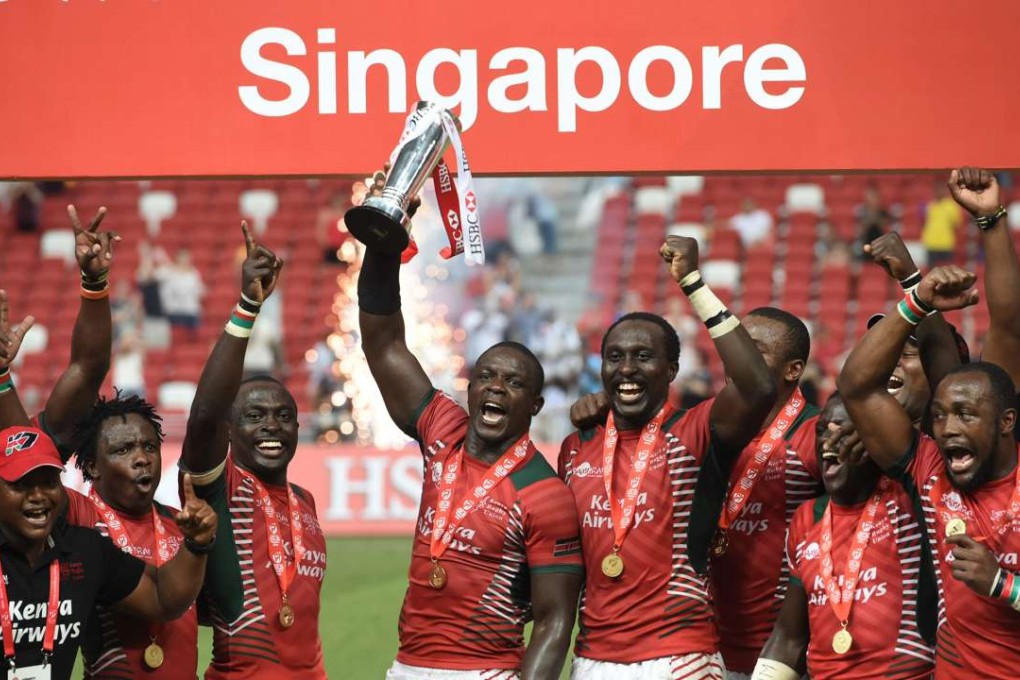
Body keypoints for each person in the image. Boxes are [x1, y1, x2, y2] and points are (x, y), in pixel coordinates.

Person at [358, 173, 583, 680]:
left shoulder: (545, 493)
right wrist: (383, 239)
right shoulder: (442, 429)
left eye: (513, 383)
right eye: (487, 377)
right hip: (406, 667)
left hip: (486, 672)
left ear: (535, 405)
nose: (496, 388)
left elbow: (554, 620)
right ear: (471, 386)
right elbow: (384, 342)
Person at [560, 235, 776, 679]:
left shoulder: (695, 431)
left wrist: (693, 283)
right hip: (591, 660)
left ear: (672, 371)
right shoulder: (578, 446)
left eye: (644, 357)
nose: (627, 369)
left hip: (677, 657)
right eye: (614, 357)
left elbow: (757, 386)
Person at [837, 265, 1020, 677]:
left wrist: (1002, 585)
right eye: (939, 416)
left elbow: (1007, 326)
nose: (949, 427)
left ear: (1006, 422)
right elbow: (858, 386)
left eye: (965, 414)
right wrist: (915, 300)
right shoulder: (930, 465)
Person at [180, 224, 329, 679]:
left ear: (298, 428)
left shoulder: (305, 502)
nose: (271, 426)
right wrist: (248, 307)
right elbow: (204, 414)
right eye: (255, 415)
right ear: (230, 429)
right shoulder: (221, 487)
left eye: (284, 417)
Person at [0, 424, 216, 680]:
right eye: (21, 485)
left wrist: (196, 544)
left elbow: (162, 599)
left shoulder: (84, 550)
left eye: (48, 482)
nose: (38, 496)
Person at [753, 394, 934, 680]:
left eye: (843, 430)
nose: (828, 441)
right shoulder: (807, 518)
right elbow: (789, 639)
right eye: (822, 430)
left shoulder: (909, 500)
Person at [707, 307, 822, 678]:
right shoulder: (707, 426)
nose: (738, 359)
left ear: (793, 370)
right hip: (702, 647)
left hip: (781, 654)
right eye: (735, 347)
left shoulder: (818, 434)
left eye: (754, 349)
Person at [920, 180, 963, 266]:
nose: (938, 192)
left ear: (945, 191)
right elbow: (925, 222)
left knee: (945, 271)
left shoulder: (951, 206)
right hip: (931, 244)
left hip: (945, 244)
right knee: (932, 272)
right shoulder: (930, 205)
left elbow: (956, 224)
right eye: (937, 190)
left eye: (941, 190)